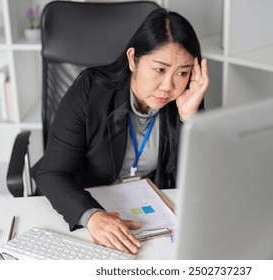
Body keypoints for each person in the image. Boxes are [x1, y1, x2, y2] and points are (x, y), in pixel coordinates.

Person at [37, 7, 209, 255]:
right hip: (90, 205)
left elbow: (199, 182)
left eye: (182, 73)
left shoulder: (184, 100)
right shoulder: (89, 89)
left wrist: (189, 118)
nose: (168, 86)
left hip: (148, 217)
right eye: (159, 69)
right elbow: (53, 173)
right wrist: (92, 217)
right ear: (132, 59)